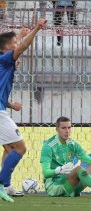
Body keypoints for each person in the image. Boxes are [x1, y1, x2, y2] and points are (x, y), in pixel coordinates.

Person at [0, 18, 46, 201]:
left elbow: (12, 46)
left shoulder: (3, 59)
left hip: (2, 106)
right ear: (6, 48)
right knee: (20, 148)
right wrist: (37, 29)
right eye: (13, 43)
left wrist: (11, 105)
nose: (16, 45)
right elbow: (19, 49)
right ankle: (1, 182)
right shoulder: (5, 59)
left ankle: (7, 186)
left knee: (9, 148)